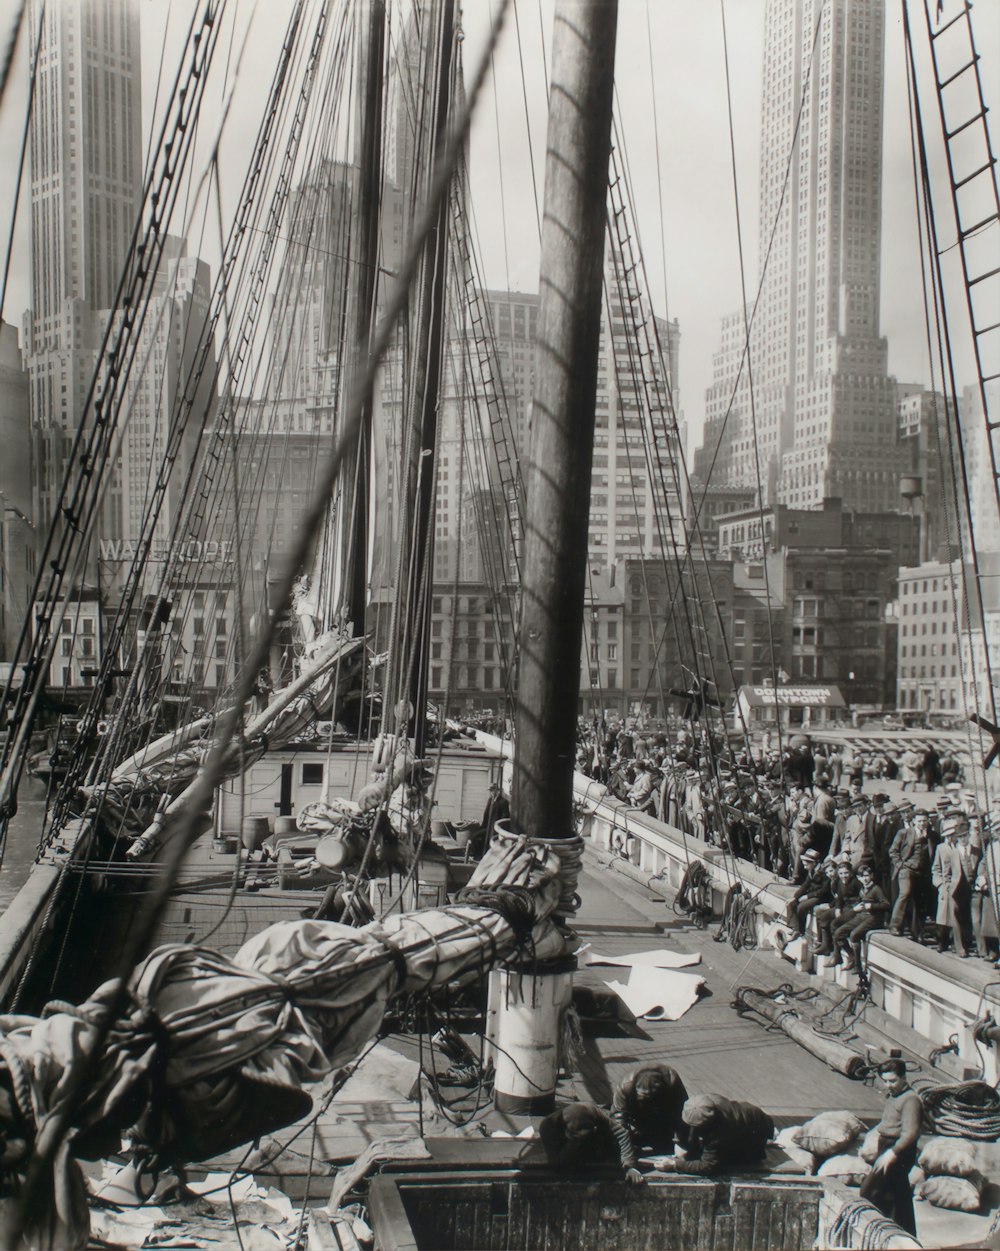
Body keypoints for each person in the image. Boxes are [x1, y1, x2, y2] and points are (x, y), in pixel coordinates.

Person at [858, 1059, 922, 1235]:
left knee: (870, 1191)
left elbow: (910, 1133)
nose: (888, 1085)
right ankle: (903, 1236)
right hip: (886, 1147)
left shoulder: (910, 1100)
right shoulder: (894, 1096)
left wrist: (892, 1154)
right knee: (895, 1197)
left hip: (898, 1151)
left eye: (892, 1081)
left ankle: (879, 1233)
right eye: (885, 1081)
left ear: (903, 1077)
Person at [654, 1094, 774, 1176]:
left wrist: (675, 1165)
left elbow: (708, 1166)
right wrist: (680, 1143)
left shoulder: (722, 1128)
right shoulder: (701, 1102)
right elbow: (689, 1126)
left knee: (726, 1163)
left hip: (756, 1131)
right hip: (751, 1113)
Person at [611, 1064, 689, 1184]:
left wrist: (680, 1142)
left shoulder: (672, 1080)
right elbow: (619, 1121)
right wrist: (627, 1159)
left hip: (662, 1119)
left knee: (669, 1148)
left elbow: (683, 1114)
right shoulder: (625, 1086)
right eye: (644, 1097)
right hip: (636, 1121)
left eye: (651, 1096)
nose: (648, 1100)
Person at [931, 812, 980, 956]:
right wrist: (940, 885)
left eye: (953, 834)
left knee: (967, 917)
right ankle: (946, 943)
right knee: (947, 918)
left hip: (966, 888)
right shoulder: (942, 848)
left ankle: (964, 944)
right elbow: (937, 869)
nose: (951, 837)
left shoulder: (966, 849)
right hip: (949, 887)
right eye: (948, 835)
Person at [831, 860, 889, 970]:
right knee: (839, 933)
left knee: (854, 935)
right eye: (862, 877)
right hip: (862, 916)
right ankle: (851, 957)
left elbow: (886, 904)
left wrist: (872, 907)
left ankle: (858, 966)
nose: (865, 879)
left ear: (871, 876)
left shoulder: (876, 889)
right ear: (858, 878)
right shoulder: (862, 889)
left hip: (874, 918)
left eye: (867, 876)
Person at [888, 808, 932, 941]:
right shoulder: (904, 833)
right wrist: (900, 864)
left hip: (922, 872)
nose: (922, 823)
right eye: (919, 821)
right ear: (913, 821)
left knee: (919, 901)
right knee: (905, 893)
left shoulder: (931, 836)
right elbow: (893, 851)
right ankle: (894, 925)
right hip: (906, 870)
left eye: (924, 821)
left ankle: (917, 931)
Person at [538, 1102, 621, 1170]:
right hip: (570, 1147)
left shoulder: (592, 1112)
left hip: (600, 1121)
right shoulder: (548, 1127)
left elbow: (621, 1132)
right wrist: (576, 1142)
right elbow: (556, 1163)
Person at [783, 848, 830, 935]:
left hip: (820, 897)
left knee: (802, 907)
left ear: (813, 863)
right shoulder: (811, 871)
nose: (804, 866)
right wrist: (794, 897)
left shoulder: (823, 873)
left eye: (806, 864)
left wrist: (808, 896)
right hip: (812, 895)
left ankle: (800, 931)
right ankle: (793, 927)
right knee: (792, 903)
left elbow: (824, 890)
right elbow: (805, 885)